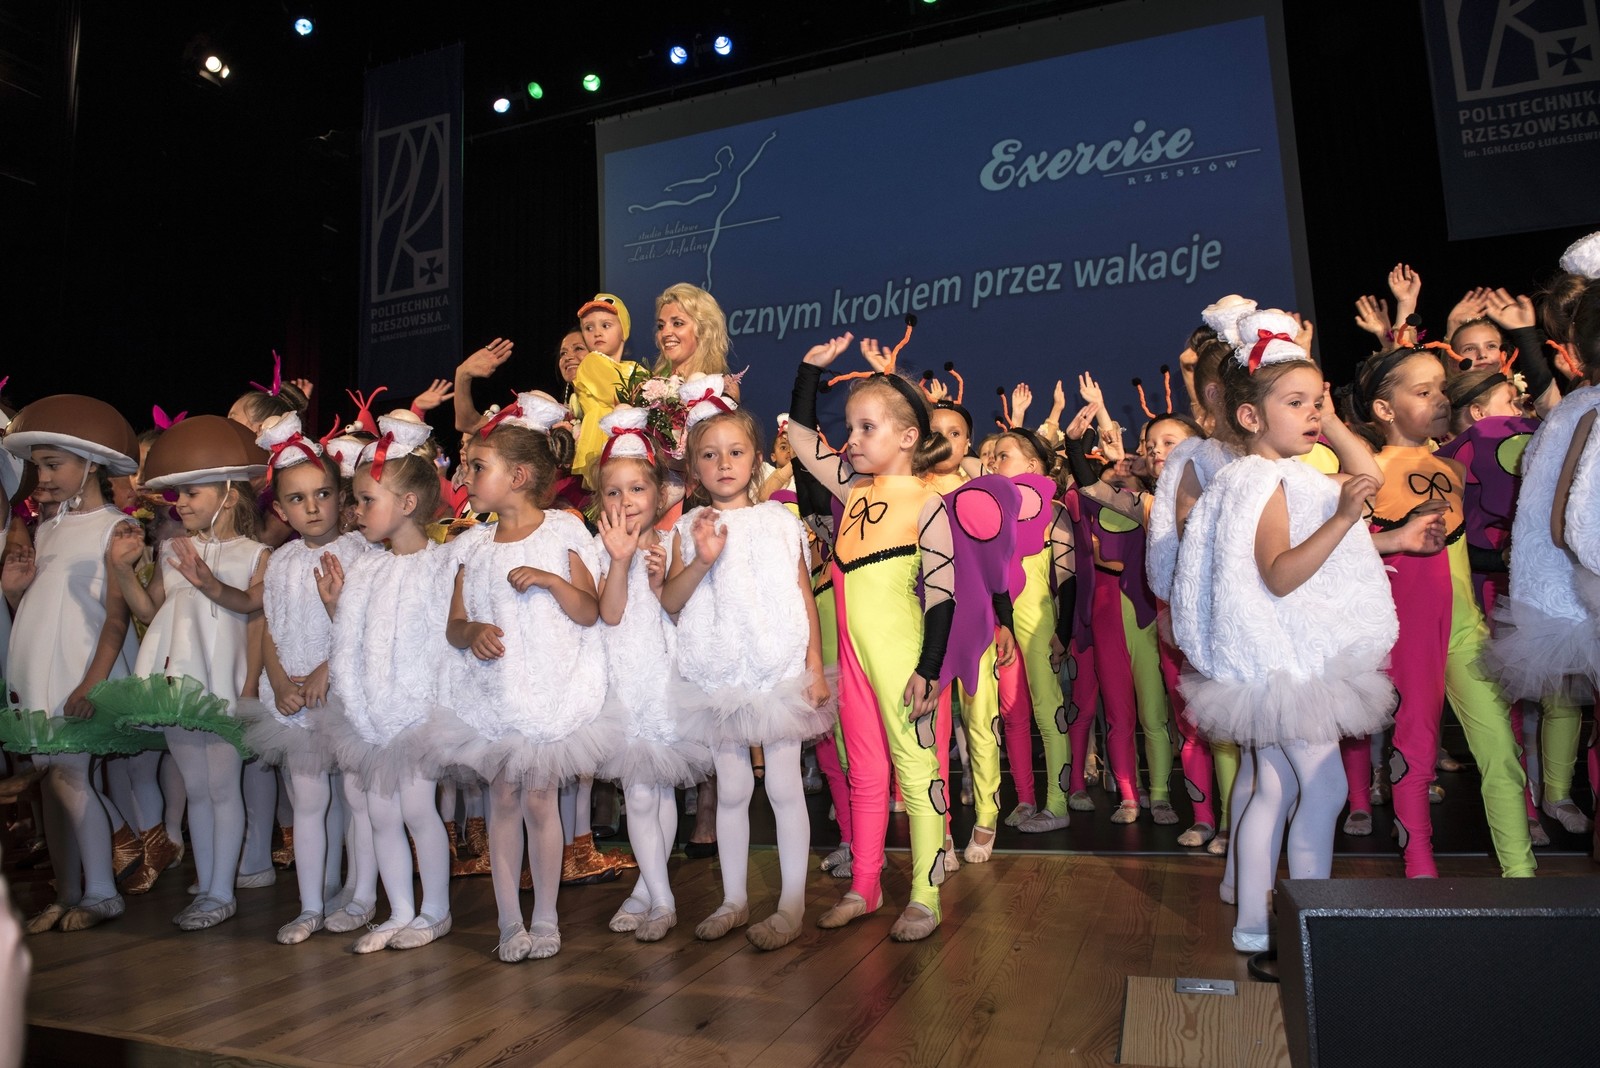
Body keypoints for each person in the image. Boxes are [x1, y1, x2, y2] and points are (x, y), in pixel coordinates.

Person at [1172, 330, 1400, 951]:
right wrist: (1343, 520)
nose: (1313, 414)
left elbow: (1368, 475)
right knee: (1324, 789)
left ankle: (1253, 925)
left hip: (1272, 663)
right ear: (1251, 417)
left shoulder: (1269, 474)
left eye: (1318, 402)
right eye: (1295, 403)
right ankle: (1310, 934)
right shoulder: (1266, 483)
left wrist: (1328, 423)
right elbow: (1279, 574)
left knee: (1273, 790)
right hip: (1286, 664)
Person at [786, 334, 957, 942]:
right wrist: (809, 372)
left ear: (908, 437)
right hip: (854, 660)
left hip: (902, 656)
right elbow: (801, 440)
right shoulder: (852, 490)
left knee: (917, 768)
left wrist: (929, 668)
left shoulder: (928, 503)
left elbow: (942, 594)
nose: (851, 440)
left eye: (866, 428)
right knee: (863, 771)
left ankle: (926, 898)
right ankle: (865, 885)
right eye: (849, 428)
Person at [1346, 345, 1534, 879]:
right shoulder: (1366, 475)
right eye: (1423, 392)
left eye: (1442, 390)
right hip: (1410, 637)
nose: (1440, 400)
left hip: (1465, 630)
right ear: (1384, 409)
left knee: (1501, 751)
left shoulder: (1452, 466)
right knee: (1415, 751)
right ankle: (1420, 873)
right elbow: (1340, 552)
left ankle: (1521, 875)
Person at [444, 392, 618, 961]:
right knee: (503, 800)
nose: (466, 478)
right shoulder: (472, 547)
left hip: (548, 693)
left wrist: (551, 580)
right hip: (496, 699)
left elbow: (589, 611)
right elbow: (454, 625)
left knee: (541, 800)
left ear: (517, 476)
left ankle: (545, 917)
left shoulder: (563, 532)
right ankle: (508, 921)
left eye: (478, 467)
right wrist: (472, 632)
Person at [661, 376, 829, 951]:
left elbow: (803, 594)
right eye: (709, 455)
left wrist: (814, 663)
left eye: (735, 452)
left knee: (783, 784)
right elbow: (672, 601)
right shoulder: (688, 529)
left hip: (777, 670)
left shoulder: (782, 522)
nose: (724, 464)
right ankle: (733, 899)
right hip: (718, 674)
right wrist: (703, 559)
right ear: (694, 468)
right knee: (731, 788)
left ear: (757, 459)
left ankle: (791, 902)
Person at [97, 415, 271, 930]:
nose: (182, 504)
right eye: (179, 495)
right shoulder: (174, 551)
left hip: (221, 683)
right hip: (177, 684)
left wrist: (248, 687)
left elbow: (255, 614)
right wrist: (124, 570)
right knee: (197, 789)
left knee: (223, 787)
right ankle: (210, 881)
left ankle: (221, 891)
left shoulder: (257, 555)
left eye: (193, 494)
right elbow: (151, 611)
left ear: (229, 497)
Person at [0, 395, 144, 933]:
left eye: (52, 465)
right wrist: (15, 592)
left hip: (80, 669)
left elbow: (116, 617)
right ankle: (68, 892)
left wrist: (92, 683)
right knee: (51, 780)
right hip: (41, 668)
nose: (42, 477)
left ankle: (103, 891)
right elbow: (42, 608)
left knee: (70, 775)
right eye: (38, 465)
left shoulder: (115, 528)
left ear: (90, 464)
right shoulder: (48, 527)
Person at [317, 410, 456, 952]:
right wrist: (336, 606)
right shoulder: (367, 567)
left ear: (408, 504)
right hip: (371, 713)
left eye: (367, 500)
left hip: (417, 715)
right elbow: (355, 639)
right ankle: (398, 910)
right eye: (356, 500)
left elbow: (444, 639)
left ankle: (435, 910)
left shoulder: (441, 565)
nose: (356, 511)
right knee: (379, 813)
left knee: (418, 810)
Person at [239, 413, 370, 943]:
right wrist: (279, 683)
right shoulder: (280, 561)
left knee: (359, 799)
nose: (312, 508)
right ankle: (311, 903)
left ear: (341, 497)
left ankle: (359, 895)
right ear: (281, 509)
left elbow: (364, 628)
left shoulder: (362, 554)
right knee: (309, 802)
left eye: (322, 494)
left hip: (346, 694)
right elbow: (269, 628)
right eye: (297, 499)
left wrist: (324, 672)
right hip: (293, 698)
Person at [593, 406, 712, 941]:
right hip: (624, 687)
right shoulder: (598, 549)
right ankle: (660, 897)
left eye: (636, 489)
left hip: (666, 685)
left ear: (659, 495)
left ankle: (650, 891)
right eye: (613, 492)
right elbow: (611, 613)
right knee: (639, 795)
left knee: (659, 794)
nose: (625, 501)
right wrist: (619, 561)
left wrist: (664, 582)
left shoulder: (672, 542)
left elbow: (683, 616)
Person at [1490, 279, 1600, 832]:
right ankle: (1552, 795)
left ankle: (1558, 795)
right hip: (1575, 582)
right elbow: (1566, 521)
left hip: (1579, 581)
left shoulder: (1579, 408)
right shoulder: (1580, 411)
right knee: (1563, 698)